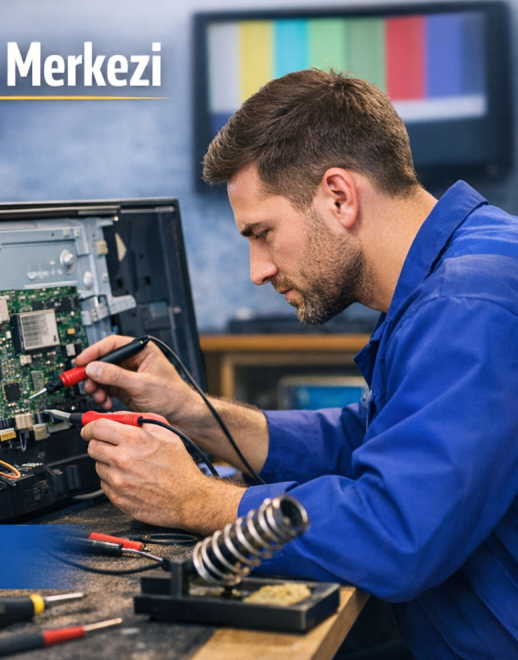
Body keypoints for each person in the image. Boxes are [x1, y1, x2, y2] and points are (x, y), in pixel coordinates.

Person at [76, 69, 518, 659]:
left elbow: (395, 534)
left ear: (339, 196)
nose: (256, 270)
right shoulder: (468, 263)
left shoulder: (468, 305)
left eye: (262, 233)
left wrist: (192, 498)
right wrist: (190, 410)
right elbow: (373, 440)